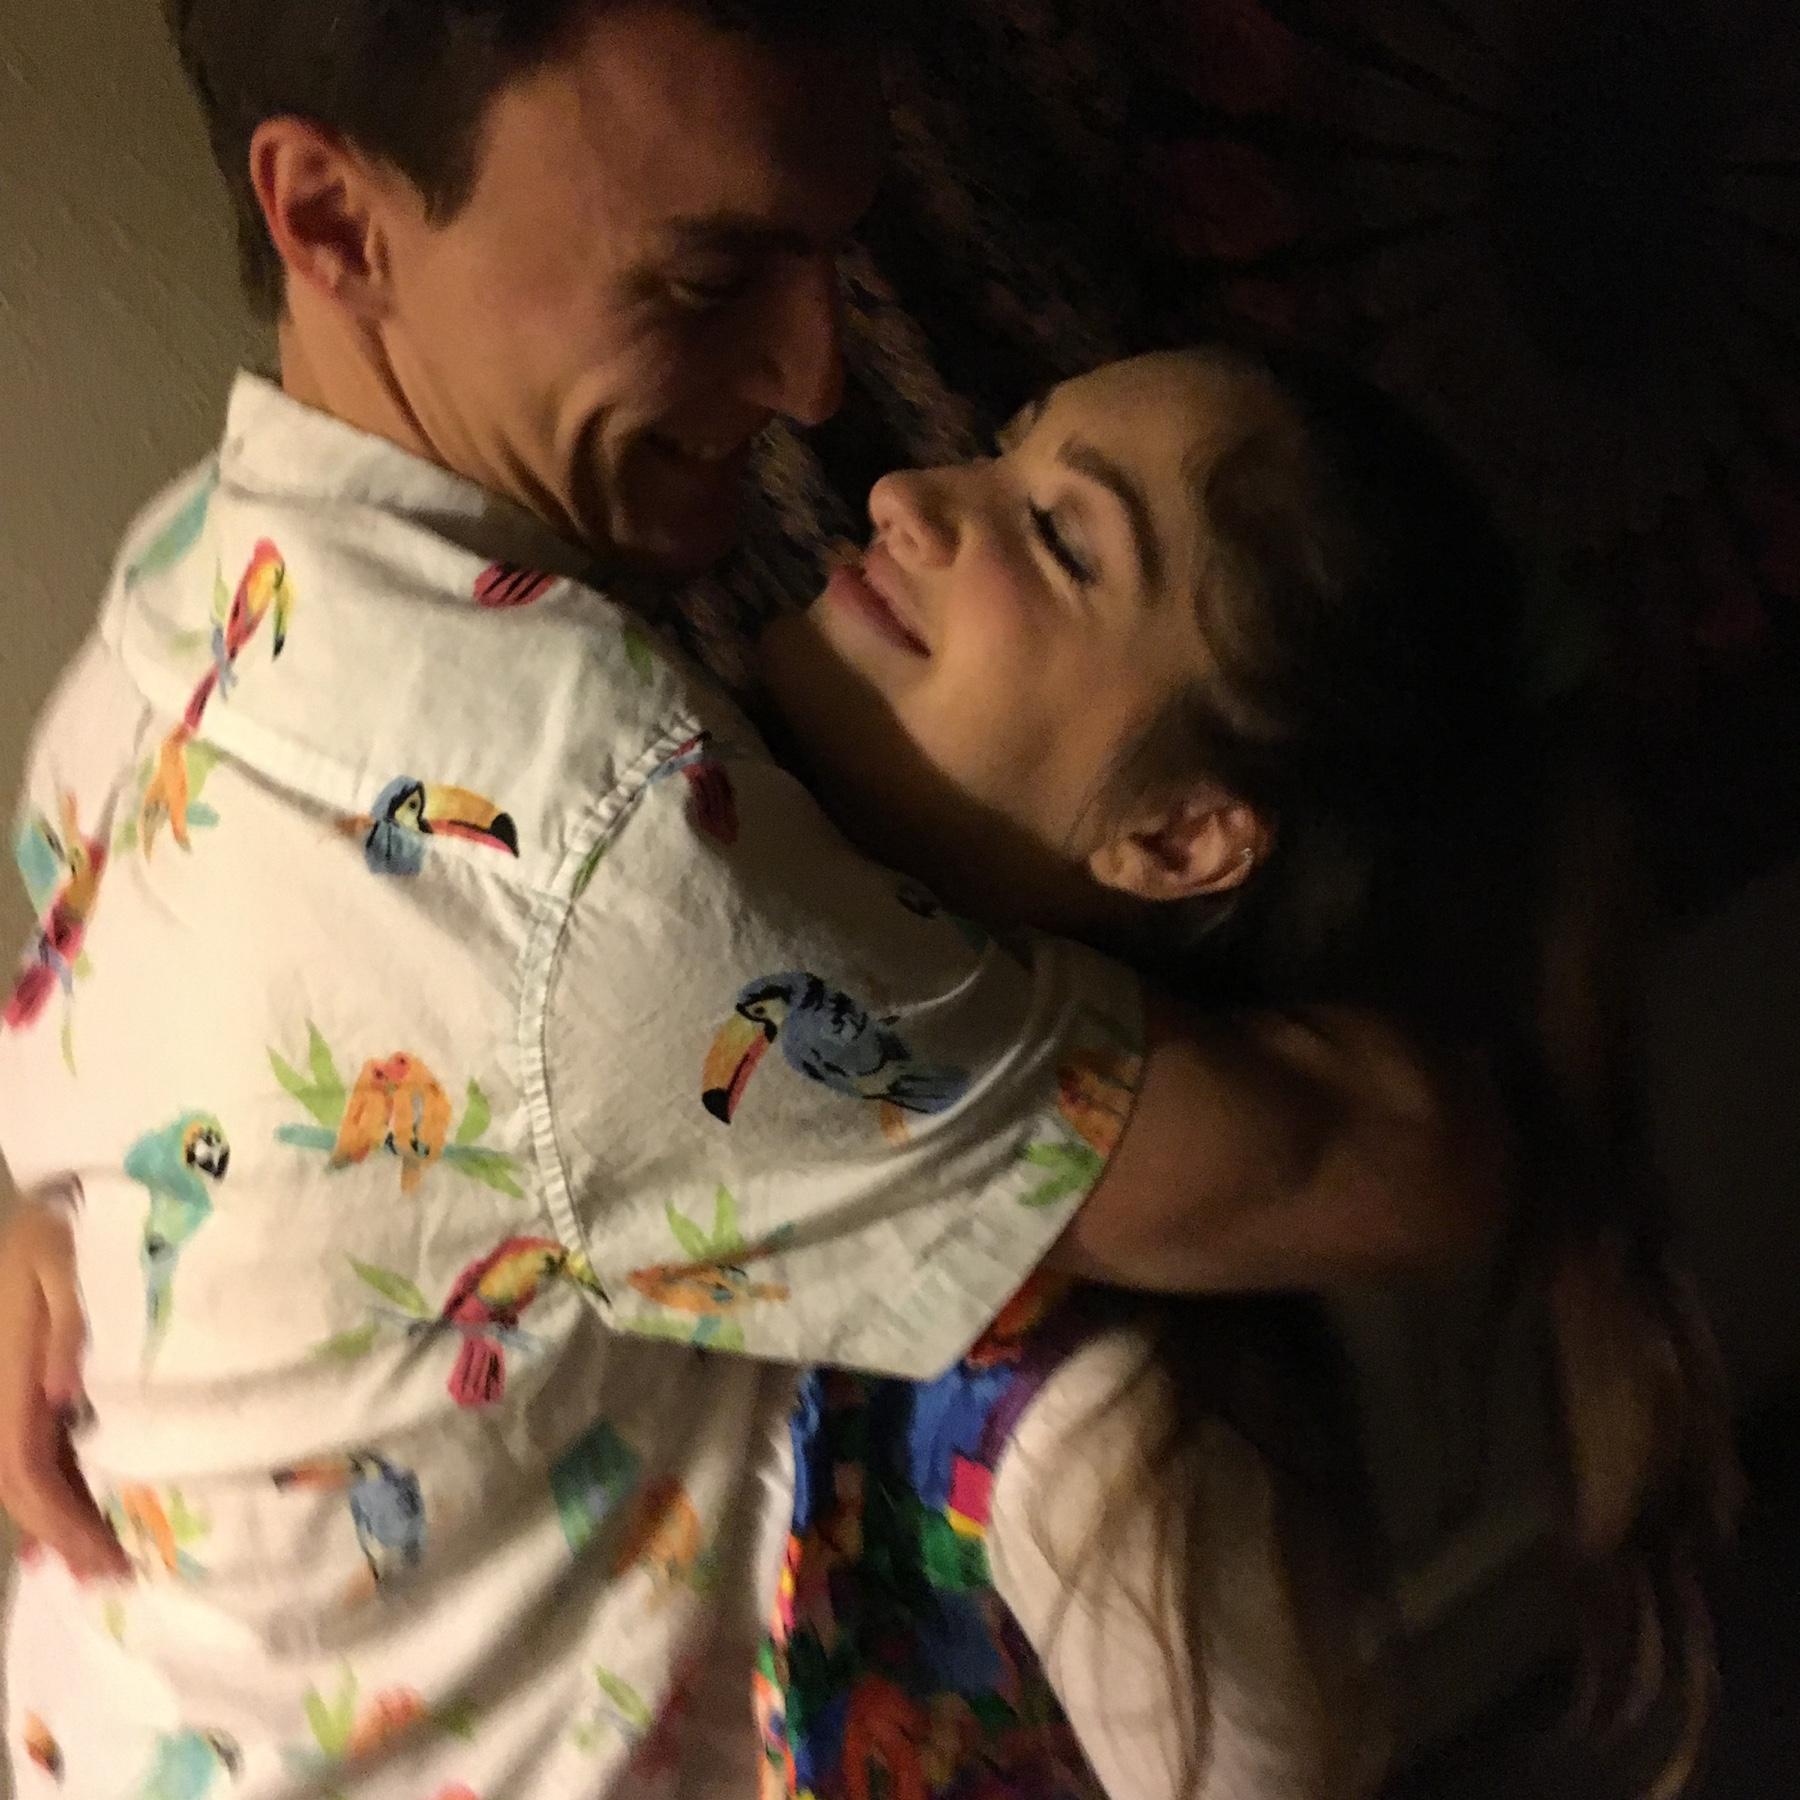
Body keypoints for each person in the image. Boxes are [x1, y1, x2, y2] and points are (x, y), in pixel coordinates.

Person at [0, 4, 1503, 1797]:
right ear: (334, 220)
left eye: (823, 259)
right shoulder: (602, 845)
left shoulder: (182, 588)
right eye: (711, 279)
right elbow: (1383, 1163)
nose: (817, 385)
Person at [742, 349, 1736, 1798]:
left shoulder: (1094, 1444)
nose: (907, 494)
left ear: (1180, 836)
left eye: (1061, 536)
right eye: (1001, 450)